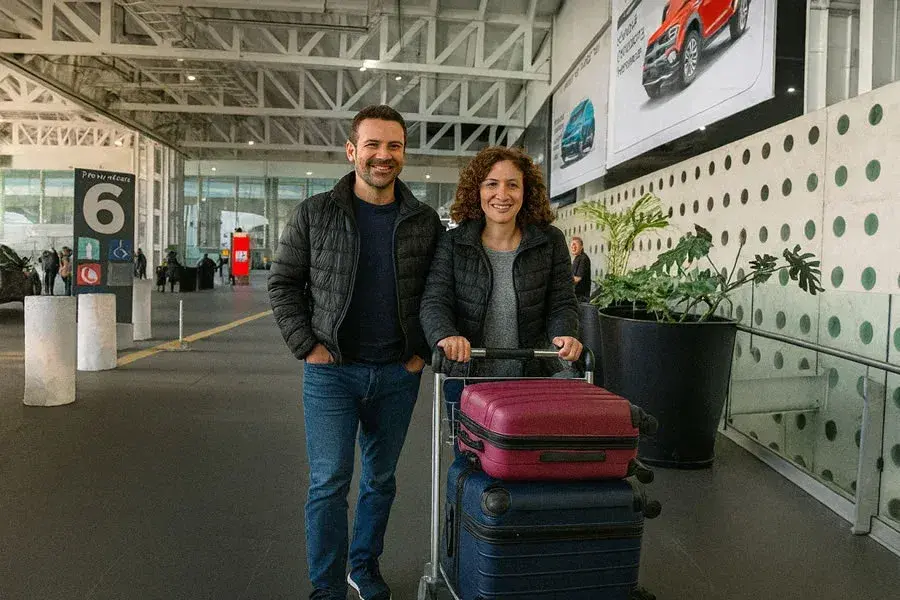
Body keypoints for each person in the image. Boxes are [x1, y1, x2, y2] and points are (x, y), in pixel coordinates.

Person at [267, 105, 443, 600]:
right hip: (333, 375)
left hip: (397, 374)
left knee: (381, 481)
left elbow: (438, 294)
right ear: (352, 151)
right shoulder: (315, 213)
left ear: (404, 154)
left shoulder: (423, 221)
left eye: (393, 146)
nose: (382, 156)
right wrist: (309, 348)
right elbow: (283, 285)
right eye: (372, 145)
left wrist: (419, 355)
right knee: (328, 483)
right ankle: (326, 588)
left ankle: (362, 569)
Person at [420, 145, 583, 378]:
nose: (503, 194)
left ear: (526, 191)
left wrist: (565, 334)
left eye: (513, 184)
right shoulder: (453, 243)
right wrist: (445, 334)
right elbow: (435, 301)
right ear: (477, 190)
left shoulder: (550, 241)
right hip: (468, 376)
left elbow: (562, 303)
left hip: (534, 375)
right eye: (491, 184)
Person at [570, 236, 592, 302]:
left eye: (575, 244)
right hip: (576, 296)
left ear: (581, 246)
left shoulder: (583, 258)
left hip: (581, 297)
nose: (573, 247)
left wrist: (564, 283)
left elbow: (578, 278)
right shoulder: (577, 258)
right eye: (571, 245)